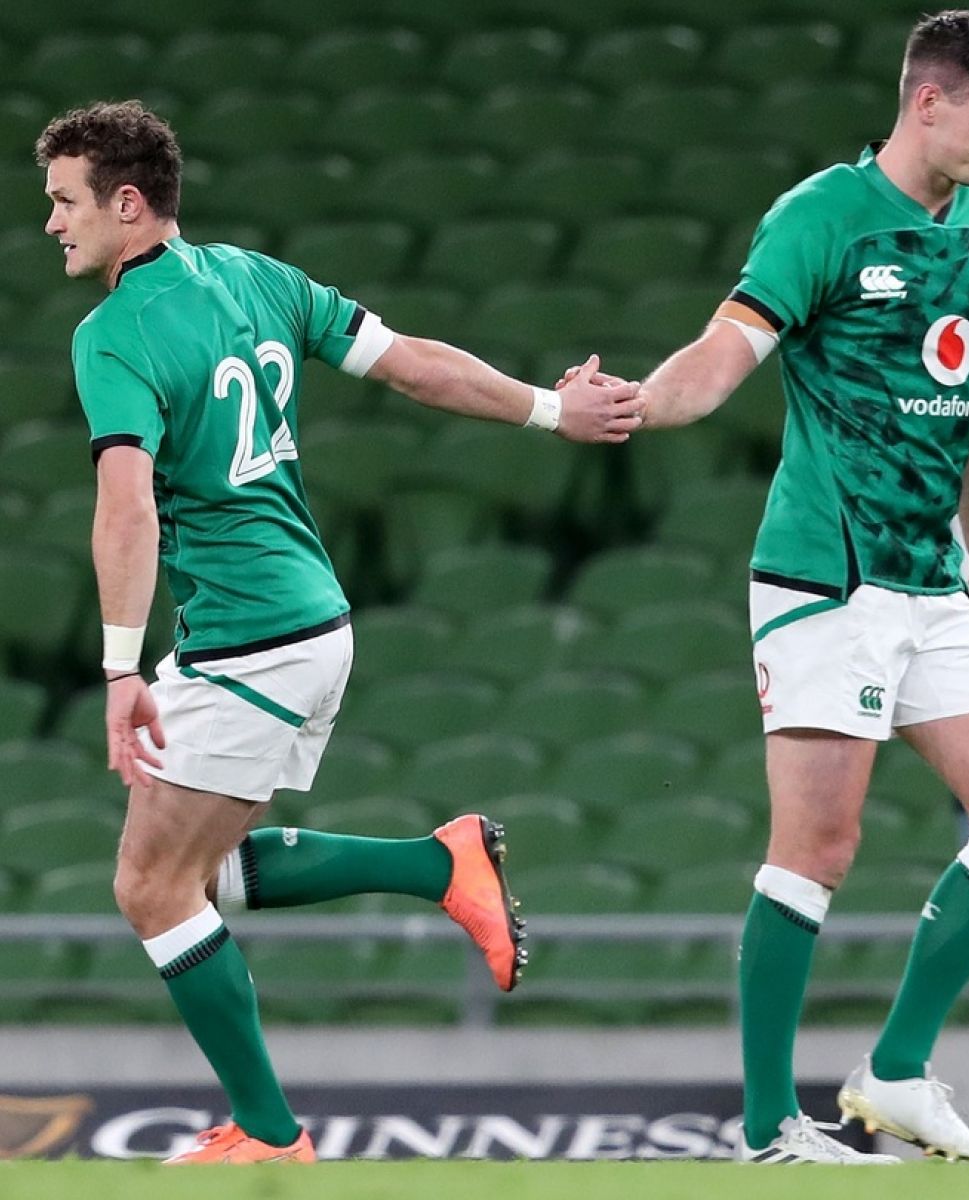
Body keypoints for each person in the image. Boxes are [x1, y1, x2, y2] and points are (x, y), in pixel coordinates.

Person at [36, 100, 643, 1165]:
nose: (51, 223)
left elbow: (126, 508)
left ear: (127, 204)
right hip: (305, 619)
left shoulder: (113, 333)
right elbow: (412, 362)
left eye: (64, 201)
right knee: (198, 872)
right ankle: (438, 865)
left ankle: (272, 1135)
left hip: (252, 636)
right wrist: (550, 411)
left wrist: (120, 667)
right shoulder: (258, 277)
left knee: (149, 886)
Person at [564, 9, 969, 1165]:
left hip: (932, 582)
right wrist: (638, 401)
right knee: (818, 847)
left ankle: (896, 1073)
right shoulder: (821, 217)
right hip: (827, 579)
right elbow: (723, 354)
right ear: (927, 101)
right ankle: (768, 1128)